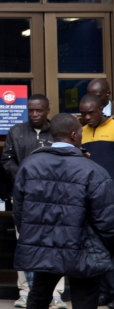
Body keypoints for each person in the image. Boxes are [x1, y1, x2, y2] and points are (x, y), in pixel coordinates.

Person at [14, 113, 114, 309]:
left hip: (43, 245)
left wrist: (34, 236)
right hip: (84, 248)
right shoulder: (93, 170)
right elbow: (107, 220)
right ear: (74, 135)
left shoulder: (29, 165)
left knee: (38, 297)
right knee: (85, 301)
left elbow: (19, 211)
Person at [0, 94, 57, 307]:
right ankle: (25, 291)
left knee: (53, 243)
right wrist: (25, 175)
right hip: (24, 196)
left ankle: (56, 294)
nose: (34, 114)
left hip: (53, 198)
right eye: (31, 110)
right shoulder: (16, 131)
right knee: (24, 243)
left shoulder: (56, 132)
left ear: (47, 110)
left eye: (39, 110)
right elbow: (6, 159)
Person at [80, 92, 114, 308]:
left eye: (91, 113)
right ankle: (105, 292)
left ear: (102, 108)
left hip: (111, 196)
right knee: (96, 248)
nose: (87, 117)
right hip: (90, 198)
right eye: (83, 114)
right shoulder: (80, 132)